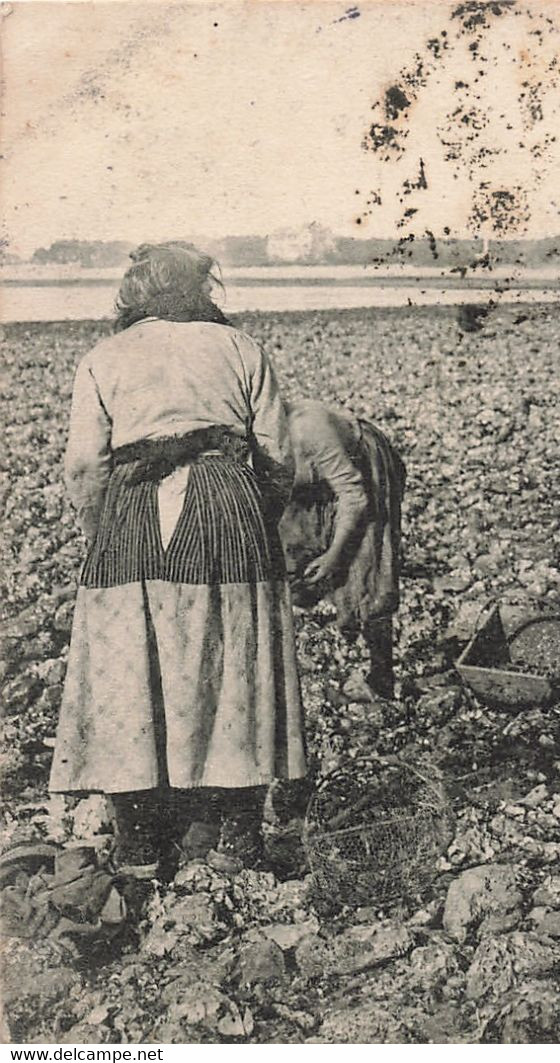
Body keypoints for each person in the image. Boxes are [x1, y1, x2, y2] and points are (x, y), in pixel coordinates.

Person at [55, 243, 305, 879]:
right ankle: (237, 832)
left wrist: (98, 532)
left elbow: (85, 466)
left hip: (135, 509)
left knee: (129, 661)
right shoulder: (241, 350)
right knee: (237, 657)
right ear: (203, 290)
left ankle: (141, 835)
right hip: (228, 502)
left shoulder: (104, 357)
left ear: (131, 294)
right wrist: (255, 518)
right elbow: (278, 458)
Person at [279, 399, 407, 699]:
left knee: (367, 564)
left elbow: (354, 496)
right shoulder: (243, 438)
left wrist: (334, 556)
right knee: (289, 550)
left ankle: (381, 675)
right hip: (311, 476)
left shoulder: (309, 428)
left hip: (361, 467)